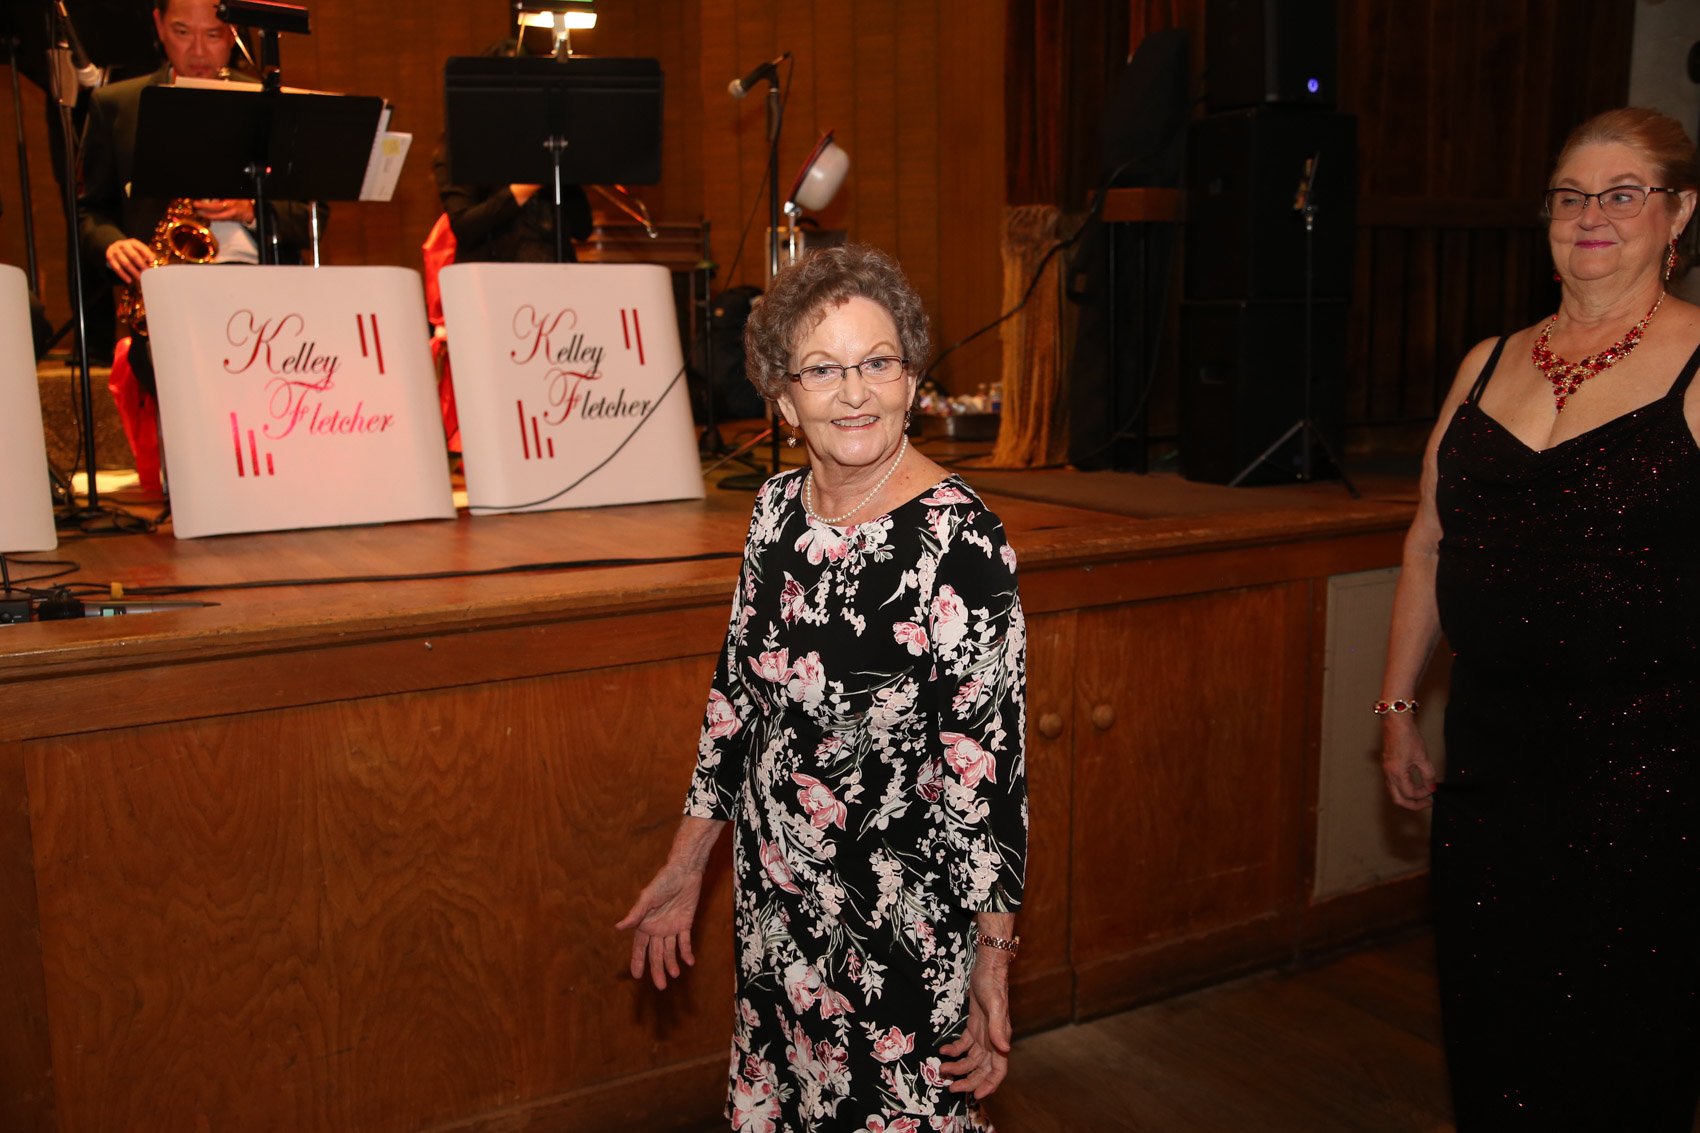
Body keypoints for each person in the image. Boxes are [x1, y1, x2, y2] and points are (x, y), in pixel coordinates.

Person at [619, 245, 1028, 1131]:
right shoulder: (775, 510)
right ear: (783, 397)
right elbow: (736, 703)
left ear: (912, 380)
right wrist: (688, 864)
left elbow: (987, 776)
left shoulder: (961, 541)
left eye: (878, 362)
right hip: (776, 907)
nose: (854, 393)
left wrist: (992, 957)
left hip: (900, 930)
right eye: (823, 369)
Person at [1380, 108, 1700, 1129]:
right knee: (1493, 1020)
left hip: (1647, 772)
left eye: (1622, 194)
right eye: (1570, 196)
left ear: (1679, 212)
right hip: (1490, 761)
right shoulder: (1486, 360)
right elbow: (1426, 543)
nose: (1590, 215)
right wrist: (1396, 704)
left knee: (1620, 1041)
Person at [76, 0, 321, 492]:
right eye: (182, 32)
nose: (198, 52)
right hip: (170, 295)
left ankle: (275, 481)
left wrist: (250, 208)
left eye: (213, 35)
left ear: (233, 35)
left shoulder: (269, 103)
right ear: (158, 25)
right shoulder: (118, 105)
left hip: (267, 298)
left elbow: (314, 218)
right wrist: (113, 244)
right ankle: (207, 484)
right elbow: (88, 212)